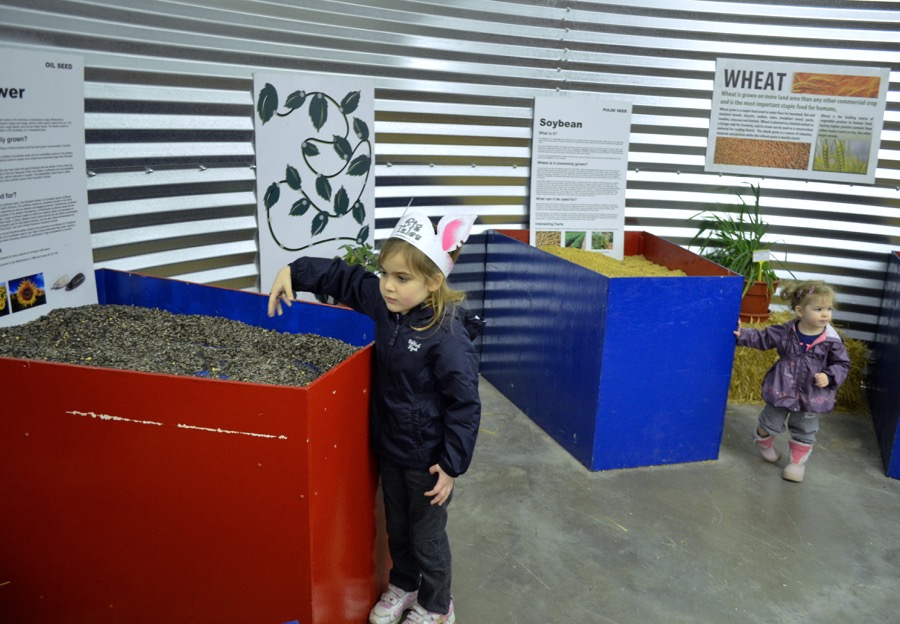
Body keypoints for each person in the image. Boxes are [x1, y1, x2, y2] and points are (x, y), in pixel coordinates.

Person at [267, 210, 482, 624]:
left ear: (433, 281)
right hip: (392, 448)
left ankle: (438, 605)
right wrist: (294, 270)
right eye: (385, 273)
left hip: (428, 460)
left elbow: (464, 404)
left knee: (427, 536)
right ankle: (405, 585)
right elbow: (345, 278)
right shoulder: (387, 305)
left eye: (402, 278)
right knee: (397, 528)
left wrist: (451, 465)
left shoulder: (448, 336)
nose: (388, 285)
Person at [734, 280, 851, 483]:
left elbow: (842, 364)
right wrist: (742, 335)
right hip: (782, 388)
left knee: (805, 430)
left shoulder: (832, 341)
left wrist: (830, 375)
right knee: (769, 422)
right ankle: (763, 442)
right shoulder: (786, 332)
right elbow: (763, 338)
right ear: (800, 311)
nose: (825, 314)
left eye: (829, 309)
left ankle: (796, 464)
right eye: (818, 309)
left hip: (812, 395)